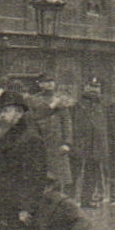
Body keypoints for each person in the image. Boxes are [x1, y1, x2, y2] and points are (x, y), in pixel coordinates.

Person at [0, 92, 47, 230]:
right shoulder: (6, 136)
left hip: (19, 209)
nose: (2, 115)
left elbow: (35, 177)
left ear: (19, 112)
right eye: (1, 111)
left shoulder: (31, 138)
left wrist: (27, 208)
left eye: (6, 111)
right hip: (1, 205)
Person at [25, 72, 76, 200]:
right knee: (39, 177)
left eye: (51, 81)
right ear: (40, 84)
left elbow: (67, 123)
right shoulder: (33, 100)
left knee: (59, 179)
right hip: (40, 143)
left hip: (57, 145)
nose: (49, 84)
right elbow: (32, 119)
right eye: (46, 82)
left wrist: (67, 143)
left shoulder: (60, 101)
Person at [71, 79, 111, 206]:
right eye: (91, 86)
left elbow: (105, 127)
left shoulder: (102, 106)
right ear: (85, 88)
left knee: (92, 173)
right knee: (74, 173)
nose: (94, 90)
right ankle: (70, 201)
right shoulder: (77, 105)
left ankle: (86, 199)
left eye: (97, 87)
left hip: (96, 145)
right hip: (80, 143)